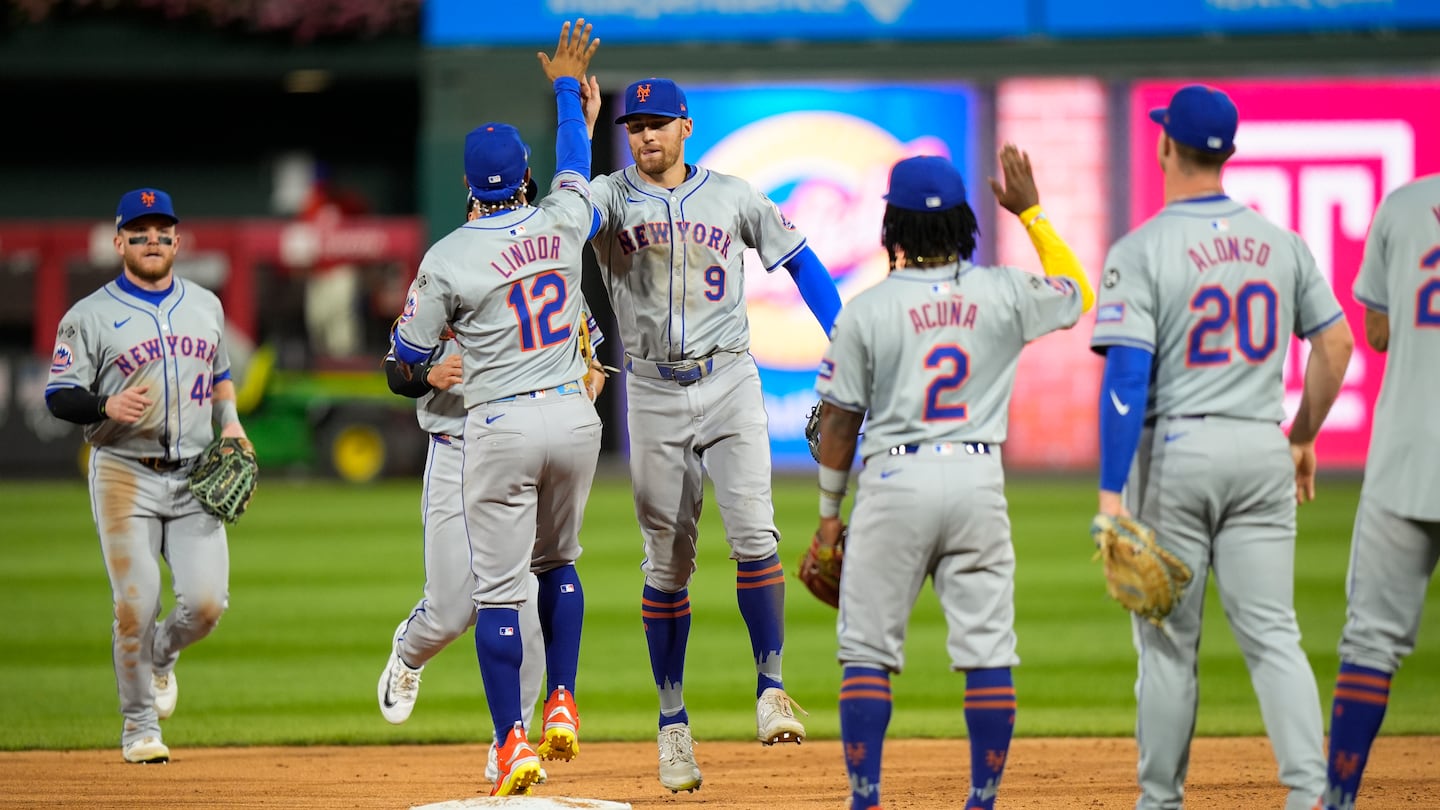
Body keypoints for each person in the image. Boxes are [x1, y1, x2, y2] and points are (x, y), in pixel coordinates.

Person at [1089, 84, 1354, 810]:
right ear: (1228, 154)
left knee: (1170, 645)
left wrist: (1112, 497)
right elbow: (1336, 343)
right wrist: (1300, 438)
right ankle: (1311, 794)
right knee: (1275, 636)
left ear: (1166, 144)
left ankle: (1161, 800)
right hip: (1260, 446)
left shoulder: (1142, 248)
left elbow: (1128, 376)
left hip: (1177, 450)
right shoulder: (1281, 242)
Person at [583, 75, 844, 793]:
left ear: (686, 125)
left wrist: (843, 337)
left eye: (658, 121)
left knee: (756, 536)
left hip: (729, 379)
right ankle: (673, 727)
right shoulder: (608, 197)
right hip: (654, 393)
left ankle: (771, 687)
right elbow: (564, 218)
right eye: (635, 124)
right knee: (666, 566)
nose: (645, 135)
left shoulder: (733, 195)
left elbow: (800, 260)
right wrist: (574, 126)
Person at [812, 148, 1094, 810]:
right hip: (976, 479)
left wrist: (829, 518)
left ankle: (866, 798)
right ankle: (983, 799)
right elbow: (1077, 291)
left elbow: (839, 426)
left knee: (867, 652)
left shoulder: (868, 309)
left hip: (894, 482)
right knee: (987, 648)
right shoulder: (1004, 291)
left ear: (892, 229)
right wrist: (1031, 213)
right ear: (965, 221)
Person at [388, 18, 600, 797]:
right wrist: (569, 97)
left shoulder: (447, 257)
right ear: (523, 175)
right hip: (575, 417)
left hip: (499, 423)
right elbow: (578, 166)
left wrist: (425, 365)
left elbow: (403, 363)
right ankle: (564, 701)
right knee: (561, 565)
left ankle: (510, 743)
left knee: (500, 596)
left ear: (468, 185)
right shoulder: (562, 221)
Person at [43, 187, 250, 764]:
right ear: (119, 242)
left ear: (178, 241)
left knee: (207, 605)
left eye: (163, 232)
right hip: (123, 474)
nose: (153, 240)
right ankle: (139, 728)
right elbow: (58, 396)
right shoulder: (86, 316)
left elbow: (221, 375)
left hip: (195, 476)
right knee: (136, 602)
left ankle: (161, 655)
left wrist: (230, 423)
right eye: (140, 232)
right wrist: (105, 407)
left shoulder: (205, 304)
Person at [1315, 172, 1440, 810]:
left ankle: (1337, 798)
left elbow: (1380, 333)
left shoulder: (1404, 205)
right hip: (1403, 453)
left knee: (1370, 642)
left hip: (1407, 452)